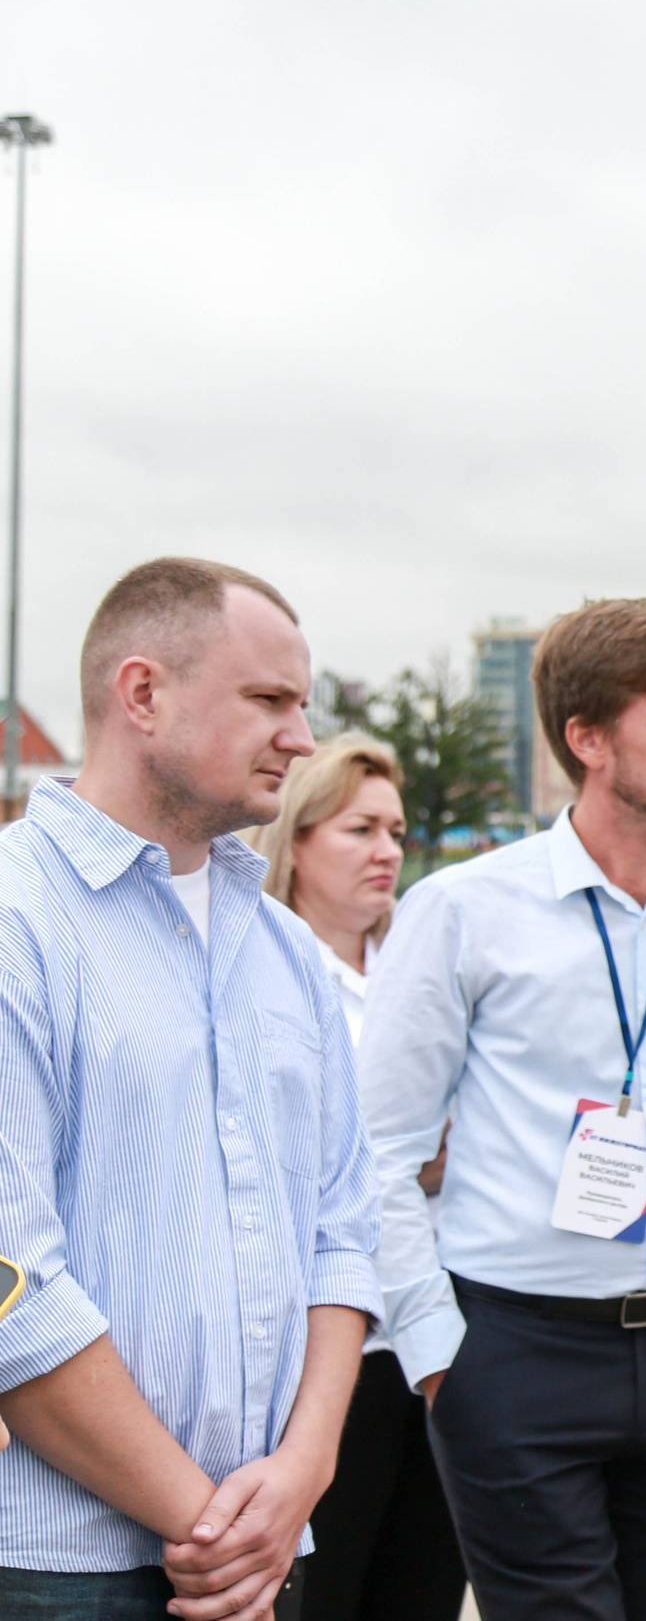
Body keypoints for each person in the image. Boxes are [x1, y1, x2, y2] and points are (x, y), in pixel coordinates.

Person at [361, 598, 646, 1621]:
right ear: (587, 739)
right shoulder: (464, 911)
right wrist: (436, 1355)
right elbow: (378, 1150)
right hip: (518, 1358)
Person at [0, 557, 380, 1620]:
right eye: (268, 700)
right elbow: (10, 1289)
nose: (300, 739)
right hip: (58, 1571)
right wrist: (212, 1528)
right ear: (141, 694)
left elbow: (345, 1236)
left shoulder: (290, 956)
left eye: (303, 706)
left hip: (266, 1551)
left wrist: (302, 1475)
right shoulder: (17, 925)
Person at [250, 737, 468, 1621]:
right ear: (295, 839)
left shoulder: (425, 974)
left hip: (439, 1334)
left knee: (422, 1590)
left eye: (397, 830)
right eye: (360, 829)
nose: (388, 850)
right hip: (322, 1354)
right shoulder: (263, 972)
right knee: (325, 1591)